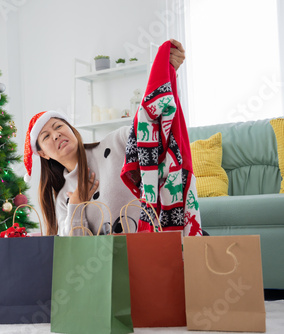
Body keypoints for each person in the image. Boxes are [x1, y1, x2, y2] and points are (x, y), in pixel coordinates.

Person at [23, 39, 187, 236]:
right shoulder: (63, 199)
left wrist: (166, 74)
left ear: (72, 130)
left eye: (59, 126)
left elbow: (152, 127)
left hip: (150, 248)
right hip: (110, 265)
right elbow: (77, 255)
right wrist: (77, 205)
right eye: (46, 136)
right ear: (42, 153)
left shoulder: (116, 142)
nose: (56, 134)